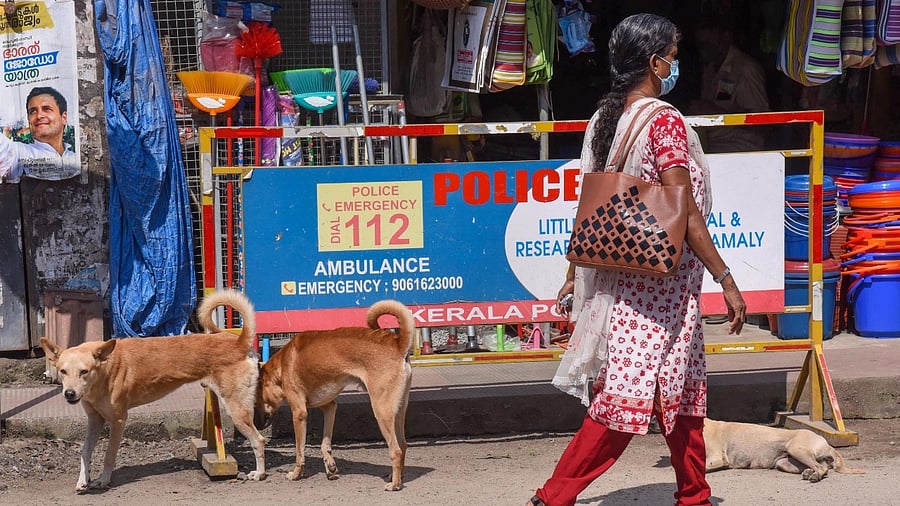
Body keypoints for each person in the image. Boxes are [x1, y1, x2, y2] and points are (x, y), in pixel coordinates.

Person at [529, 14, 746, 506]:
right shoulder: (664, 120)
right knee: (620, 404)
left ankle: (695, 494)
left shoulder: (609, 118)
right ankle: (553, 497)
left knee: (683, 392)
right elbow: (683, 208)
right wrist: (726, 277)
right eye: (672, 52)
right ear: (654, 62)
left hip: (636, 279)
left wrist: (573, 271)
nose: (676, 62)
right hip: (657, 288)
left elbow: (592, 203)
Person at [688, 19, 770, 153]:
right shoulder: (709, 67)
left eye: (708, 43)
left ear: (726, 37)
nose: (703, 49)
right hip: (711, 145)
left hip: (741, 148)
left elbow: (763, 124)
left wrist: (715, 112)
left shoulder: (746, 68)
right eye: (700, 45)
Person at [0, 86, 79, 182]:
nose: (39, 116)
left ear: (64, 117)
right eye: (33, 111)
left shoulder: (75, 156)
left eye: (46, 109)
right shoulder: (17, 152)